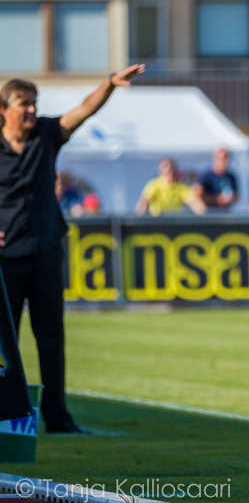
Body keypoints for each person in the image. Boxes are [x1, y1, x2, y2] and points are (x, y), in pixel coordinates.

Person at [0, 64, 145, 434]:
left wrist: (109, 84)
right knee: (6, 344)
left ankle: (58, 418)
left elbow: (85, 109)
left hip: (46, 249)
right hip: (5, 259)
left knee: (51, 337)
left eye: (34, 103)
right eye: (23, 104)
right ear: (4, 109)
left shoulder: (47, 134)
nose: (31, 110)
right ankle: (7, 419)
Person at [135, 158, 206, 216]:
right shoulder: (153, 185)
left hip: (175, 223)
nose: (170, 171)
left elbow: (196, 205)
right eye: (166, 167)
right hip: (157, 223)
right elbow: (142, 205)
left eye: (172, 168)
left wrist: (202, 214)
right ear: (160, 171)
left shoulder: (181, 187)